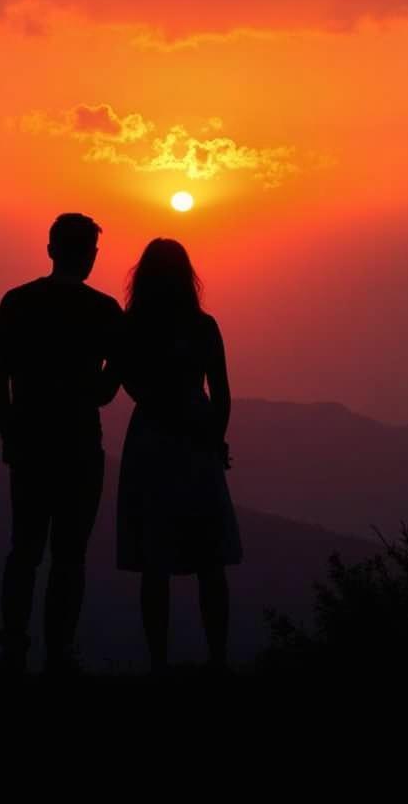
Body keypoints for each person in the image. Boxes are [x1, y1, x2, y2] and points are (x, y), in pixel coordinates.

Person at [0, 213, 123, 674]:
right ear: (90, 255)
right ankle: (59, 653)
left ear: (50, 250)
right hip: (81, 446)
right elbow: (109, 389)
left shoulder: (17, 302)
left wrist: (9, 434)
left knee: (24, 549)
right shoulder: (105, 311)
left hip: (28, 444)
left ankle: (13, 649)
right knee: (69, 556)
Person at [116, 238, 242, 673]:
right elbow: (222, 394)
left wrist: (164, 409)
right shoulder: (204, 327)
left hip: (152, 439)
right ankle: (218, 658)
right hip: (196, 439)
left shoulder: (132, 327)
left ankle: (158, 663)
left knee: (156, 560)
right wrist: (213, 436)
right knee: (208, 558)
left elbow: (128, 384)